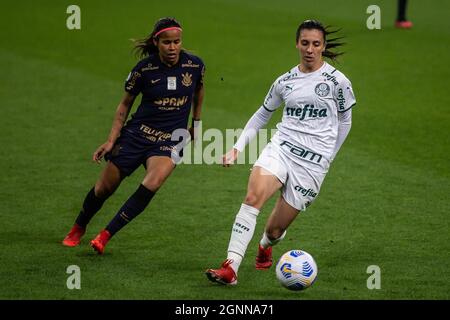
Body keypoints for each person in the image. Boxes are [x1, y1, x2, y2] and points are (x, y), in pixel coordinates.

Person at [205, 19, 356, 285]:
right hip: (281, 148)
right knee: (253, 196)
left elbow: (345, 120)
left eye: (316, 44)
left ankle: (266, 244)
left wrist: (330, 155)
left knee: (275, 230)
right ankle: (231, 267)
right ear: (297, 44)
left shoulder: (337, 82)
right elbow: (262, 114)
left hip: (312, 164)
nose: (310, 49)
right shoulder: (285, 81)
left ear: (323, 46)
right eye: (305, 43)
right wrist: (237, 148)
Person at [62, 17, 205, 254]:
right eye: (167, 42)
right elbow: (124, 106)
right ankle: (79, 226)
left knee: (154, 182)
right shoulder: (144, 70)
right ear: (156, 42)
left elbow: (199, 90)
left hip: (171, 139)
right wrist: (111, 140)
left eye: (177, 42)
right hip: (137, 135)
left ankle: (105, 236)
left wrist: (196, 124)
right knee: (103, 189)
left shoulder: (195, 66)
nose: (172, 48)